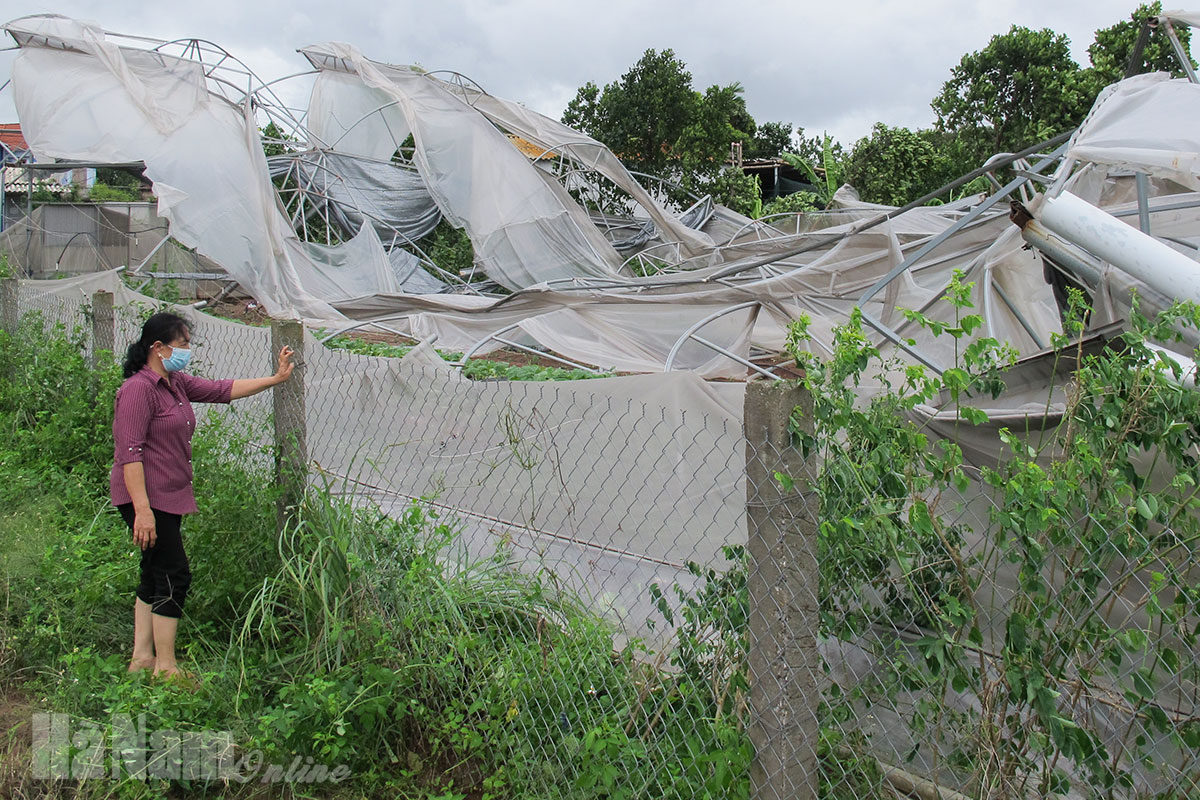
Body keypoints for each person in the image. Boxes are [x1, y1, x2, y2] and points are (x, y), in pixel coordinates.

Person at [111, 312, 295, 682]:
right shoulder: (138, 390)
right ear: (158, 347)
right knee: (174, 573)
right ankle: (166, 667)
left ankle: (142, 659)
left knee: (153, 571)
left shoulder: (174, 383)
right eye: (183, 344)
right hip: (146, 497)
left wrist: (276, 379)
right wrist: (143, 511)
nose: (188, 351)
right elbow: (128, 453)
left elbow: (221, 389)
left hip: (166, 495)